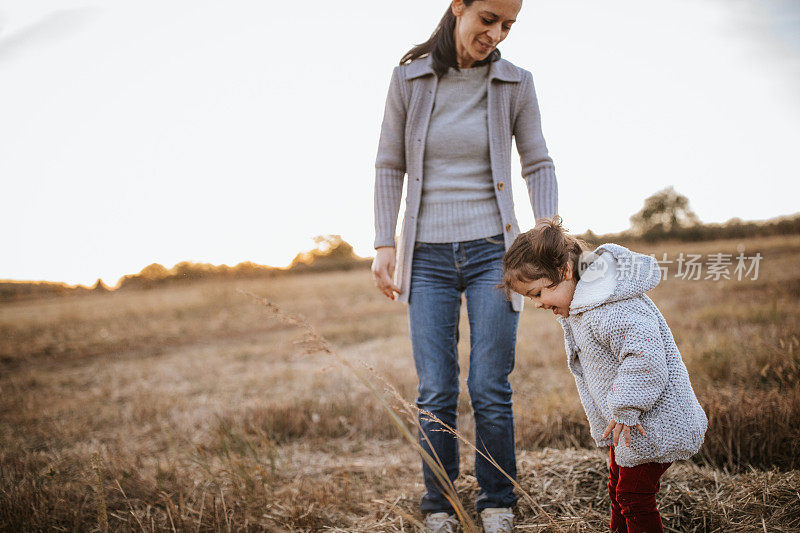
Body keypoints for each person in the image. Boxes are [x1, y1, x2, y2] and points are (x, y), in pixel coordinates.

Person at [371, 0, 558, 531]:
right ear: (459, 7)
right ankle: (440, 505)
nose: (496, 34)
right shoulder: (408, 79)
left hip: (493, 256)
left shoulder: (515, 84)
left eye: (508, 26)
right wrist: (385, 242)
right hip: (426, 256)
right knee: (435, 390)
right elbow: (389, 163)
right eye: (489, 19)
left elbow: (538, 160)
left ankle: (497, 500)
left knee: (490, 387)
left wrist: (548, 232)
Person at [501, 216, 708, 533]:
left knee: (634, 496)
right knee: (618, 489)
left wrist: (624, 407)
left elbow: (646, 357)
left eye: (538, 293)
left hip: (654, 423)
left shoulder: (609, 307)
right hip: (630, 428)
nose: (538, 304)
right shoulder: (584, 305)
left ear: (565, 272)